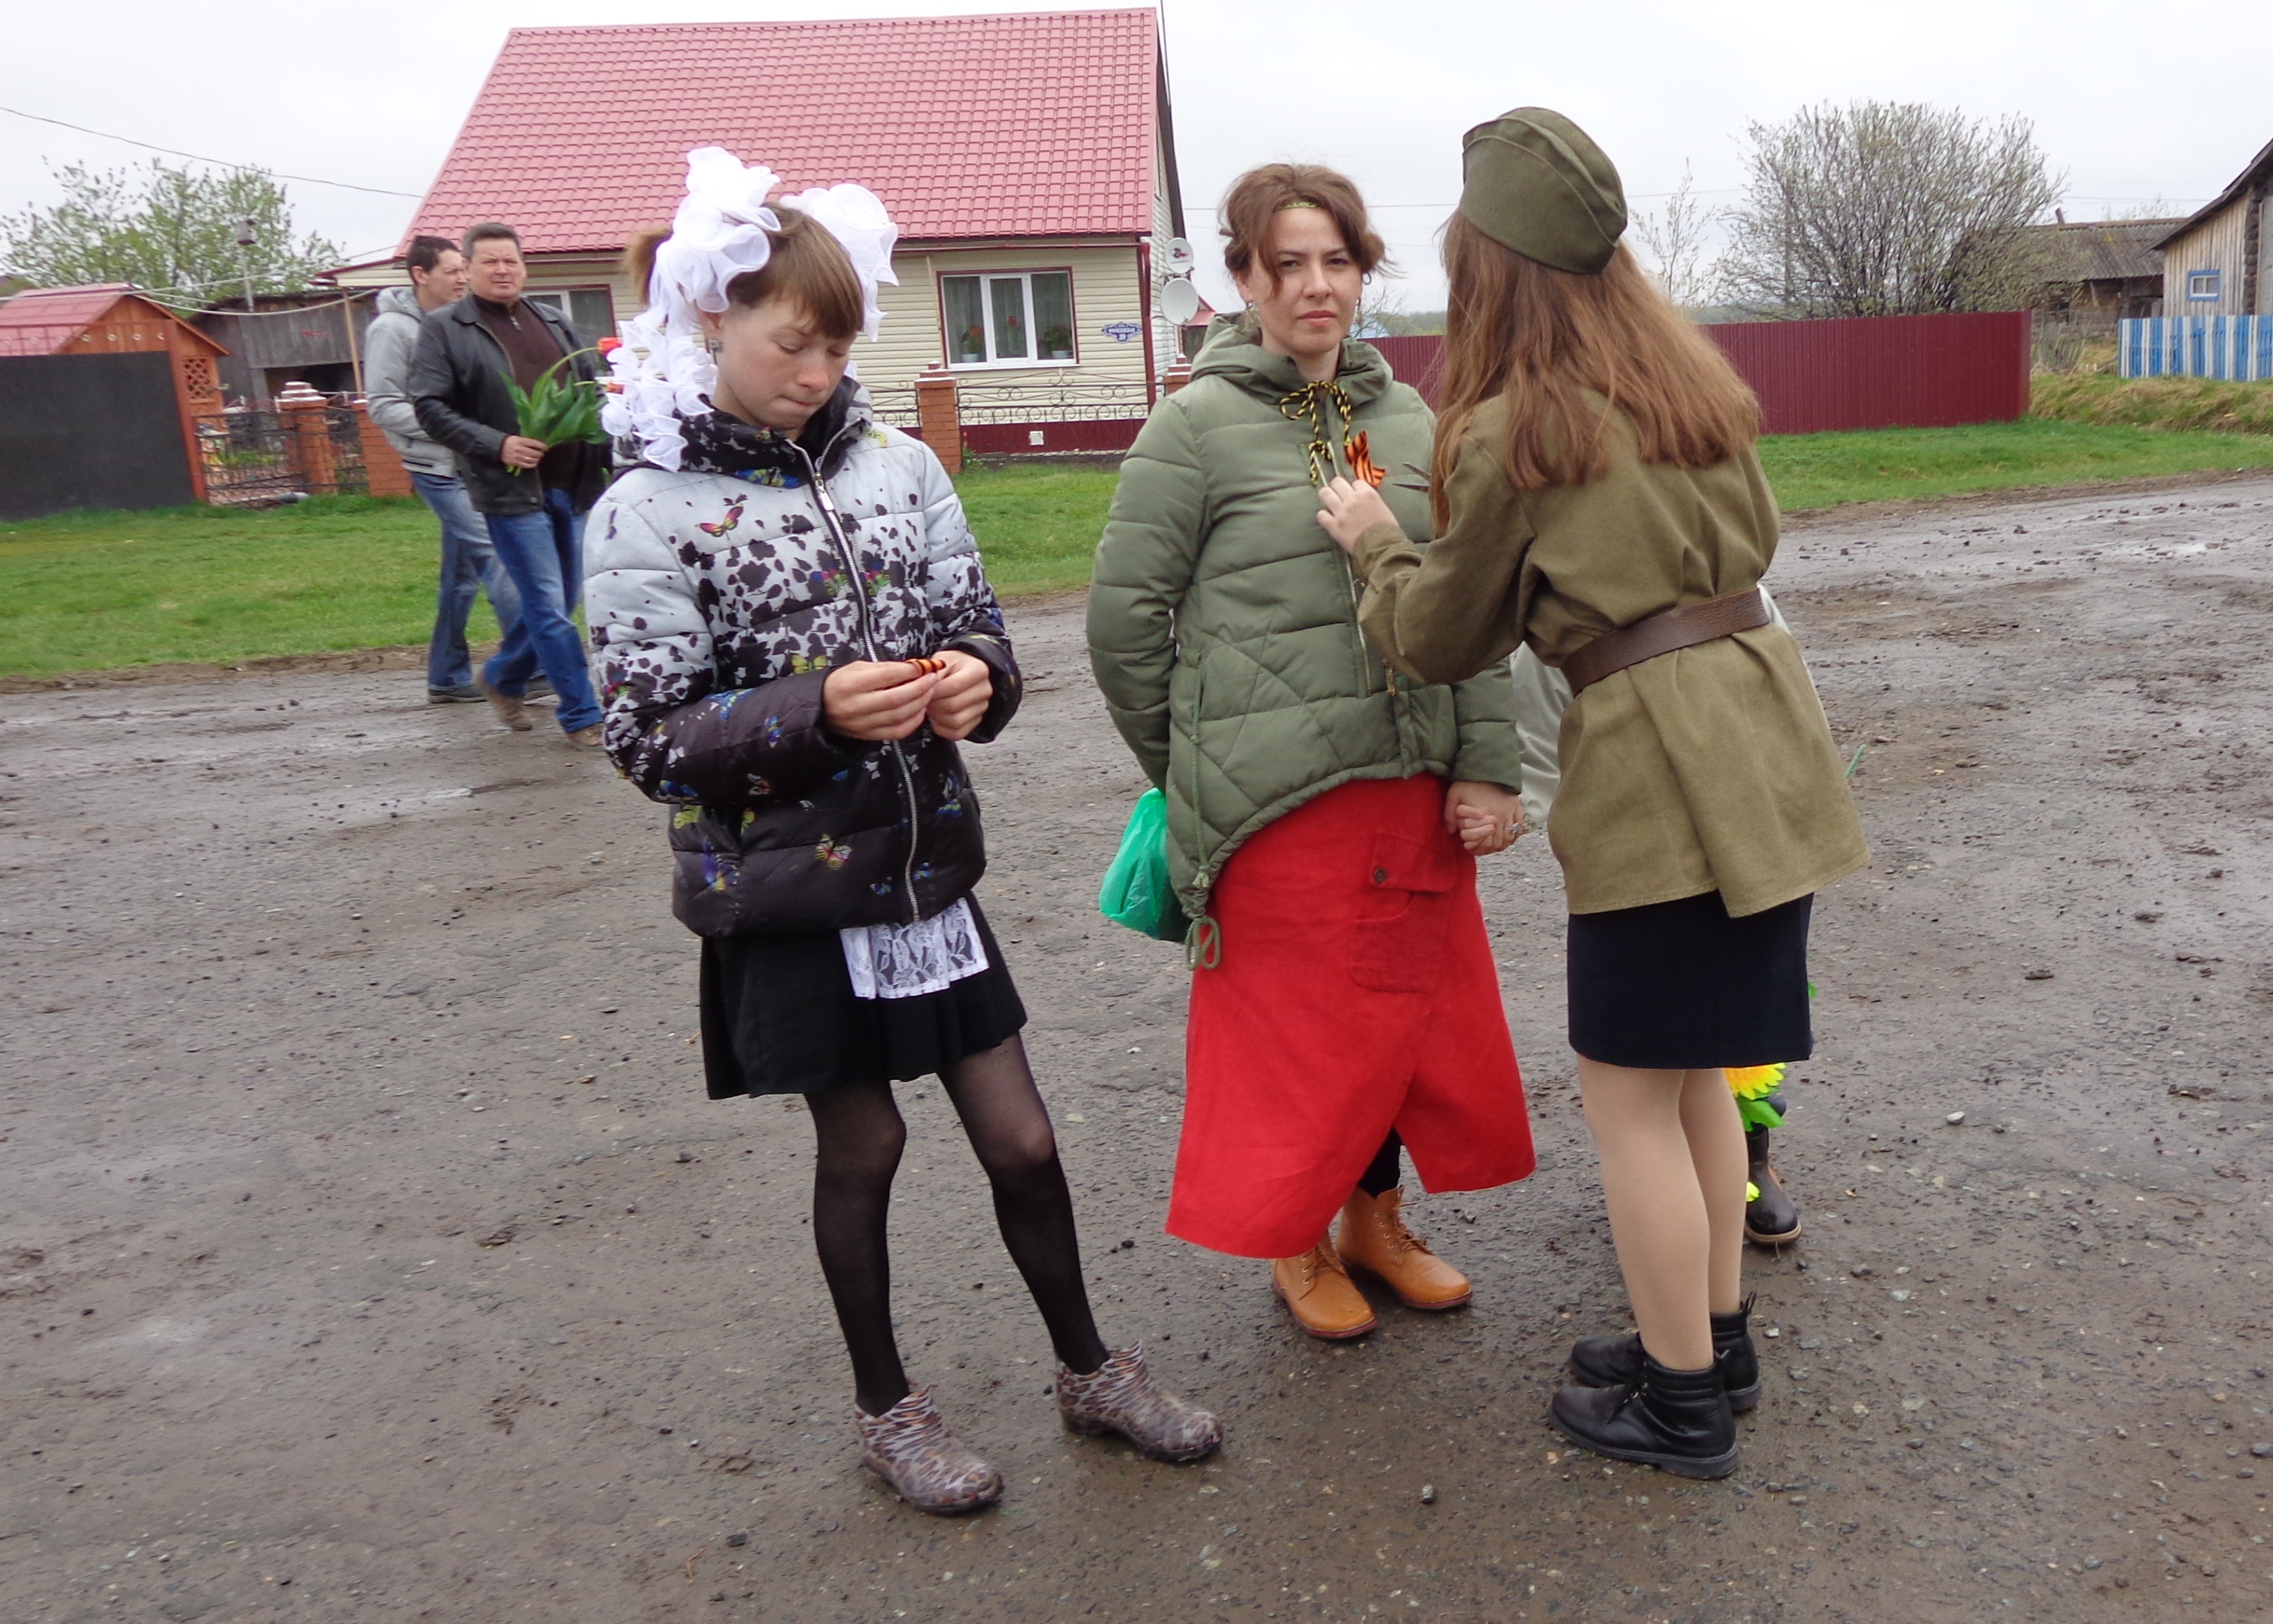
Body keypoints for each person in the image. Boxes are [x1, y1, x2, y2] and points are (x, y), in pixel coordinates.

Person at [582, 148, 1218, 1515]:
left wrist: (979, 679)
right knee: (864, 1147)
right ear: (711, 320)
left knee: (1024, 1140)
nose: (818, 373)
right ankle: (889, 1410)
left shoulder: (901, 464)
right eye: (791, 345)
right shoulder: (645, 509)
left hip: (924, 874)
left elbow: (974, 624)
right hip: (790, 891)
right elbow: (645, 738)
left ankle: (1090, 1370)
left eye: (836, 347)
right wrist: (813, 711)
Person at [1317, 109, 1870, 1477]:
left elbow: (1439, 635)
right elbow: (1756, 543)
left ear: (1489, 268)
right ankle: (1712, 1341)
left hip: (1660, 779)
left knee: (1628, 1101)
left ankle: (1680, 1400)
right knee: (1691, 1076)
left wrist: (1375, 539)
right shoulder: (1691, 389)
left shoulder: (1520, 429)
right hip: (1766, 746)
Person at [1087, 163, 1536, 1341]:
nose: (1315, 286)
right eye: (1285, 264)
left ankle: (1374, 1225)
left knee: (1400, 1027)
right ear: (1243, 279)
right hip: (1274, 809)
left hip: (1412, 789)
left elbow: (1466, 605)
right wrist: (1194, 766)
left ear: (1363, 273)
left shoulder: (1411, 421)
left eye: (1336, 261)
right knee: (1296, 1043)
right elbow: (1123, 626)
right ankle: (1295, 1239)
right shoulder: (1192, 427)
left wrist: (1487, 764)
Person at [1510, 642, 1806, 1246]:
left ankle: (1751, 1156)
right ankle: (1699, 1240)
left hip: (1725, 814)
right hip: (1652, 828)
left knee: (1678, 1077)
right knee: (1681, 1072)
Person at [409, 221, 607, 744]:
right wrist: (497, 444)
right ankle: (583, 714)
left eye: (511, 261)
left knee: (562, 602)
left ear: (524, 266)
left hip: (573, 484)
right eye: (490, 262)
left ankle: (501, 676)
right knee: (547, 606)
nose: (502, 270)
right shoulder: (446, 328)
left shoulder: (553, 319)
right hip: (512, 490)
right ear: (468, 269)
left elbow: (590, 389)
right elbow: (429, 406)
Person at [363, 235, 540, 705]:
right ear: (420, 275)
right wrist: (457, 430)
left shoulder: (457, 322)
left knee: (461, 577)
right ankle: (532, 663)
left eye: (464, 269)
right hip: (438, 466)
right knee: (501, 559)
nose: (463, 278)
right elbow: (383, 405)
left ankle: (446, 676)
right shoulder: (392, 330)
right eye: (452, 271)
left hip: (476, 461)